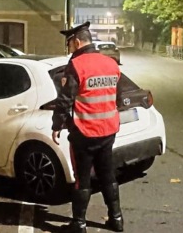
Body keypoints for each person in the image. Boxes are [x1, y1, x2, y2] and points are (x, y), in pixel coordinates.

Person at [51, 21, 124, 233]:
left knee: (82, 179)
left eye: (69, 44)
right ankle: (116, 219)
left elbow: (65, 99)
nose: (69, 49)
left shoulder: (77, 65)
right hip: (108, 130)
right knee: (108, 175)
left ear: (76, 41)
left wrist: (57, 125)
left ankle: (79, 224)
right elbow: (116, 97)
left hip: (84, 133)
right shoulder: (110, 63)